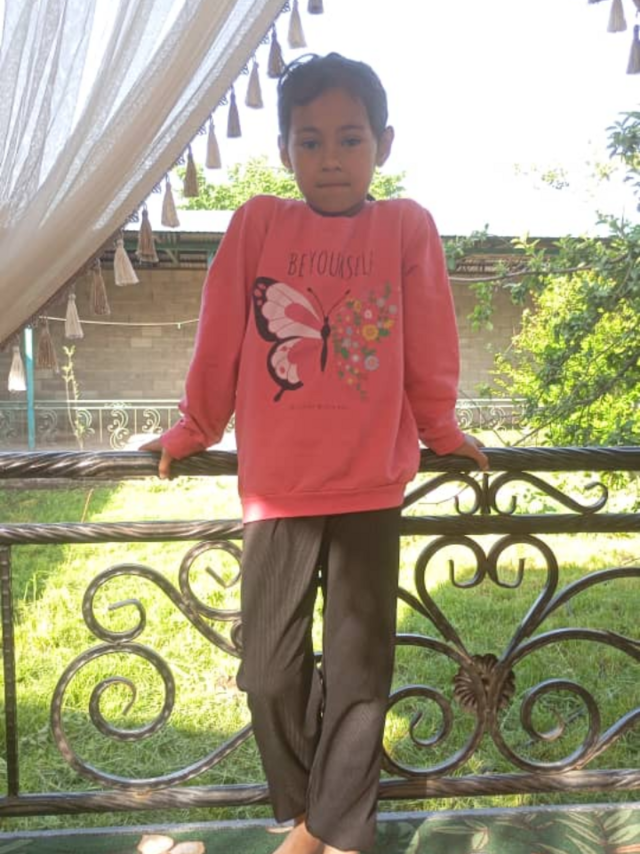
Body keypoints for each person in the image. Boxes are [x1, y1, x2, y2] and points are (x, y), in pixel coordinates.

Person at [142, 52, 488, 854]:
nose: (331, 158)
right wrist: (194, 426)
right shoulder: (260, 224)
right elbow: (222, 338)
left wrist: (443, 432)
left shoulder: (405, 226)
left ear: (383, 144)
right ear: (285, 150)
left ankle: (336, 836)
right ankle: (313, 819)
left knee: (361, 681)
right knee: (268, 673)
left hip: (371, 485)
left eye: (349, 139)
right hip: (278, 491)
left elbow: (429, 343)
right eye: (310, 141)